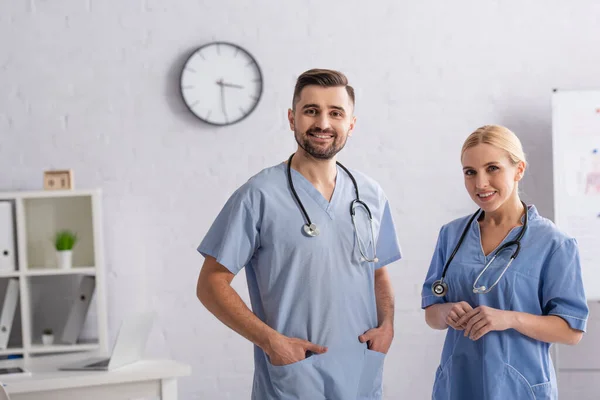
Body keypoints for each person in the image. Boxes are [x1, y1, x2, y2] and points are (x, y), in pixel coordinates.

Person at [196, 69, 402, 400]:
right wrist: (271, 342)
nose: (323, 123)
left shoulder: (370, 194)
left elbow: (377, 271)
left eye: (335, 113)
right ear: (292, 119)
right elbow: (210, 284)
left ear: (351, 124)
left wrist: (388, 326)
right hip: (294, 378)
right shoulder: (259, 195)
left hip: (360, 373)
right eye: (311, 111)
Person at [421, 125, 589, 399]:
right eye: (470, 172)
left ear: (519, 169)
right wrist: (447, 311)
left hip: (520, 387)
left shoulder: (554, 244)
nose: (481, 184)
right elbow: (432, 314)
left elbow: (571, 331)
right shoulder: (451, 235)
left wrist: (509, 319)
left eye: (493, 168)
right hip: (459, 384)